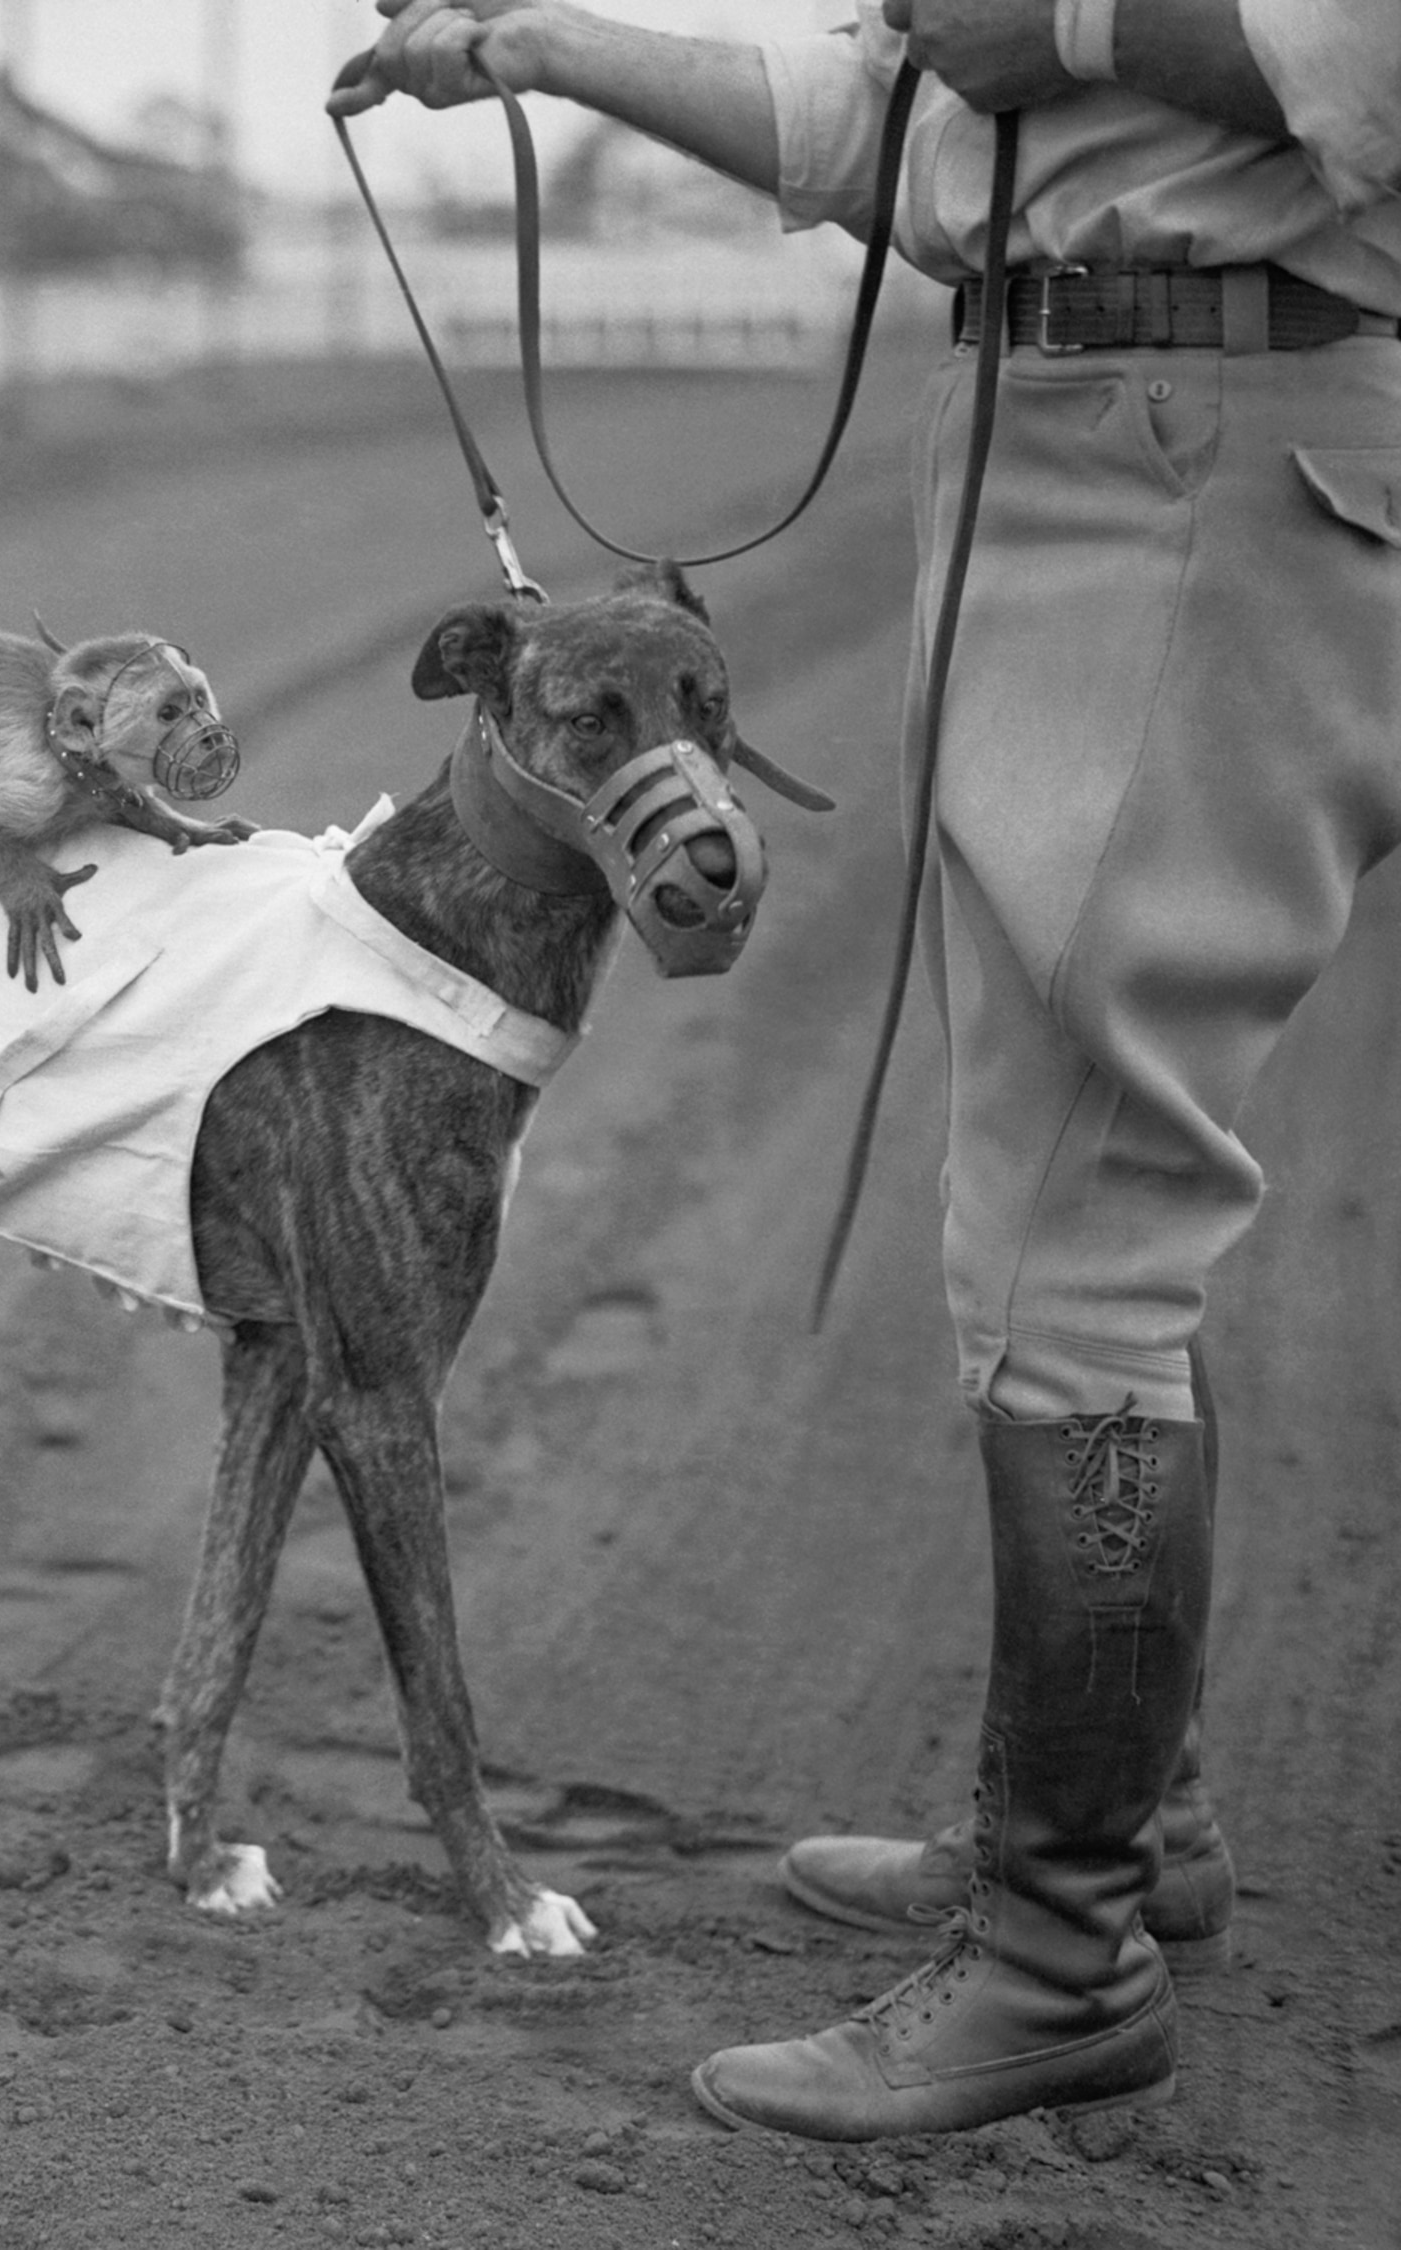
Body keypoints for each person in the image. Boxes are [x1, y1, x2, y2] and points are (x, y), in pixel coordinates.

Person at [333, 0, 1401, 2142]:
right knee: (1045, 1186)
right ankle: (1122, 1829)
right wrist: (531, 43)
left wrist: (1066, 14)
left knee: (1080, 1230)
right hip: (1078, 426)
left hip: (1212, 432)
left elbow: (1351, 64)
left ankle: (1056, 1953)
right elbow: (874, 123)